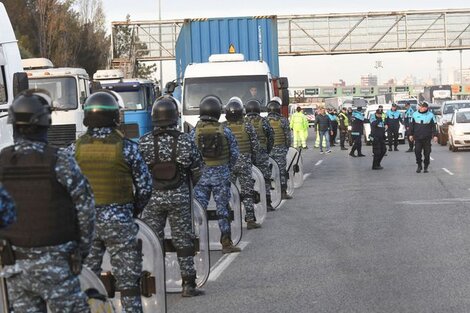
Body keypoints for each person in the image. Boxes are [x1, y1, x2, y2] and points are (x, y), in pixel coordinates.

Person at [0, 89, 95, 313]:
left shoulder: (3, 161)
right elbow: (86, 209)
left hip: (16, 266)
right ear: (46, 123)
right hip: (58, 265)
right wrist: (81, 252)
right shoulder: (60, 159)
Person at [74, 91, 153, 312]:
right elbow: (145, 187)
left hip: (85, 225)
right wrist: (131, 210)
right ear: (114, 117)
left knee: (88, 280)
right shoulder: (127, 148)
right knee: (128, 282)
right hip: (120, 222)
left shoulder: (74, 149)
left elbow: (64, 189)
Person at [138, 96, 204, 297]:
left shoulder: (144, 142)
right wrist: (186, 184)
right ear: (175, 117)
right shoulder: (185, 140)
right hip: (179, 196)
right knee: (183, 240)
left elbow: (138, 173)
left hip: (152, 199)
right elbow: (197, 168)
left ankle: (154, 283)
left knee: (152, 240)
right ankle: (188, 284)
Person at [191, 95, 241, 253]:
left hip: (201, 178)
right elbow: (235, 154)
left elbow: (188, 156)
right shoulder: (225, 131)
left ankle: (197, 242)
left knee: (199, 210)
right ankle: (226, 243)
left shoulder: (193, 133)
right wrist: (226, 168)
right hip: (221, 176)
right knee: (223, 209)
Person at [224, 97, 262, 229]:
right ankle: (250, 220)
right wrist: (252, 159)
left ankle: (228, 218)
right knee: (247, 191)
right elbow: (255, 146)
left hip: (228, 164)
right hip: (245, 163)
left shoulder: (223, 127)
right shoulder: (247, 125)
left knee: (228, 192)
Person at [245, 99, 275, 211]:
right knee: (265, 178)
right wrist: (267, 150)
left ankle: (250, 204)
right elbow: (271, 137)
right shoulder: (264, 121)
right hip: (262, 154)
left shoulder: (244, 122)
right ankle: (267, 202)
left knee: (249, 180)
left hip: (248, 154)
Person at [267, 99, 293, 200]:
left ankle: (267, 194)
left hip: (268, 150)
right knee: (282, 171)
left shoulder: (264, 120)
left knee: (267, 172)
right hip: (280, 149)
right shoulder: (283, 120)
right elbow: (288, 137)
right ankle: (283, 192)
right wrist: (286, 148)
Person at [409, 102, 438, 173]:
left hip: (427, 138)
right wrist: (410, 134)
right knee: (417, 151)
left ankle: (426, 166)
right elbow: (411, 126)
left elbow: (434, 126)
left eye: (425, 107)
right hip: (418, 137)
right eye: (422, 107)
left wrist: (435, 135)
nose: (423, 108)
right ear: (420, 107)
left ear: (427, 108)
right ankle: (419, 165)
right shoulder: (414, 114)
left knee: (427, 153)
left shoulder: (430, 115)